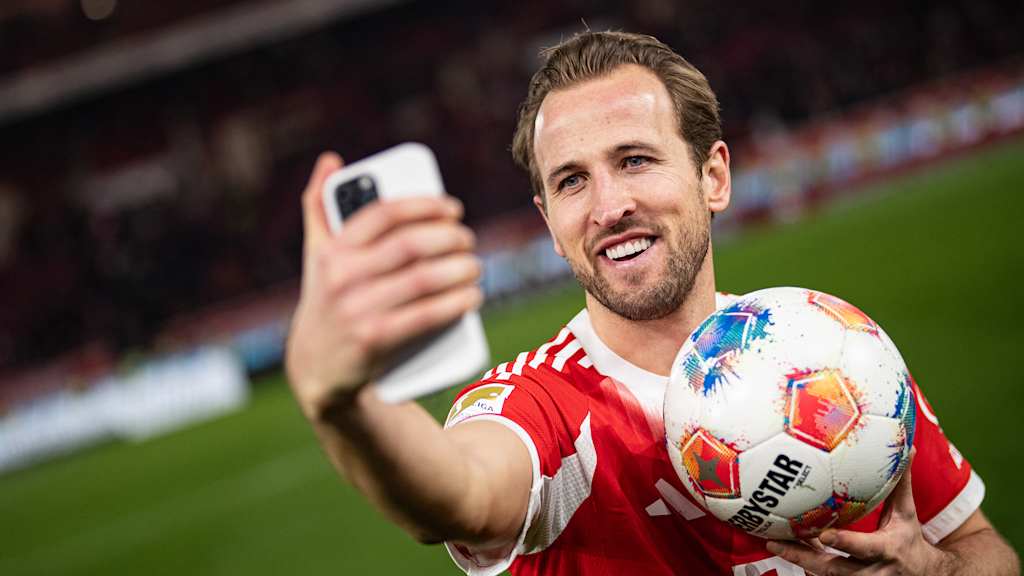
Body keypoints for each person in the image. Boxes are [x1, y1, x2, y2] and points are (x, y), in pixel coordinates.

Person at [285, 31, 1019, 575]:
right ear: (548, 221)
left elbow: (983, 549)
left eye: (635, 160)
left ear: (713, 177)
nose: (609, 205)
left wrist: (937, 571)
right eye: (571, 181)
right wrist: (341, 403)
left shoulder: (831, 356)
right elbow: (464, 490)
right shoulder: (541, 406)